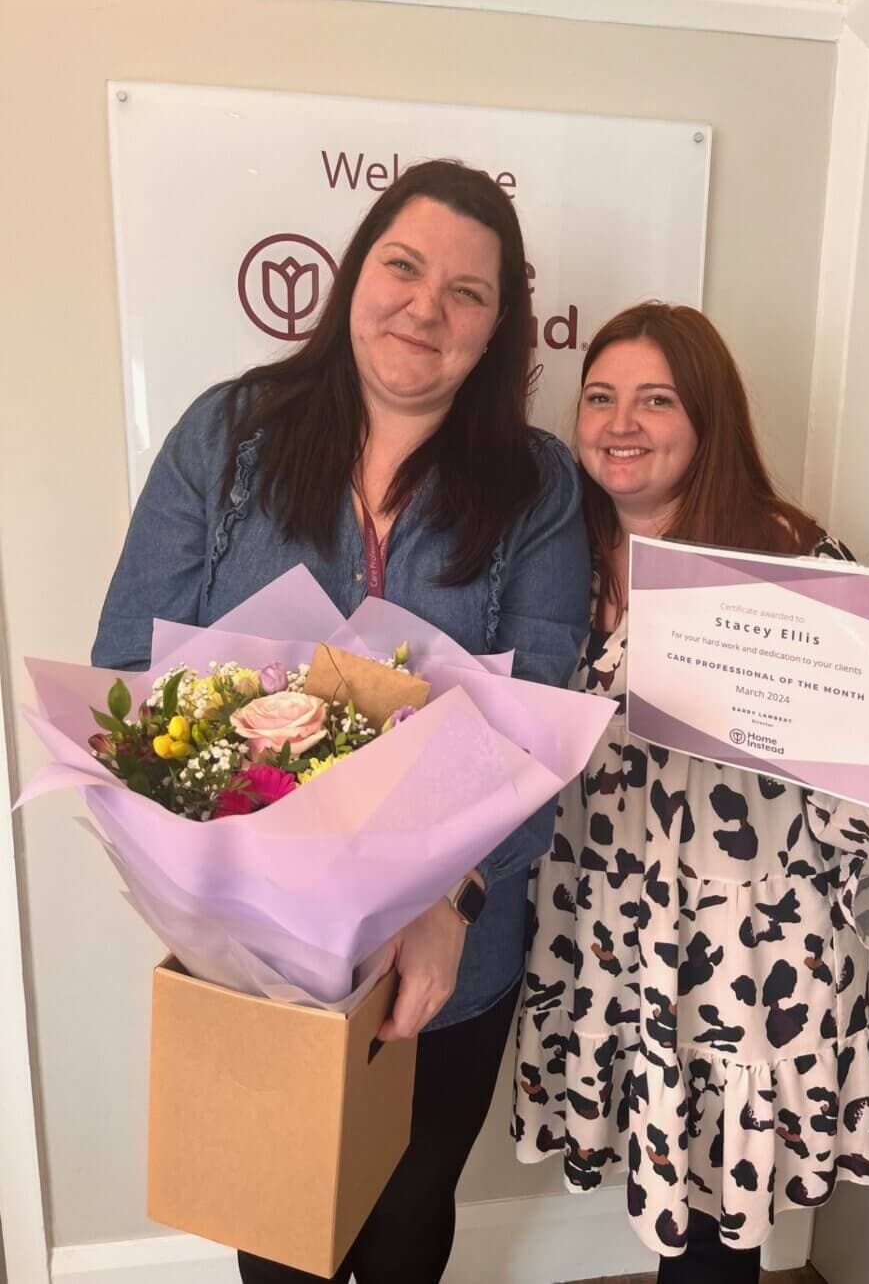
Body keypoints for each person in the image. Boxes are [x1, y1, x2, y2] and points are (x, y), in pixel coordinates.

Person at [92, 160, 591, 1283]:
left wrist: (449, 900)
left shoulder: (536, 485)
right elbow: (127, 669)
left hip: (451, 957)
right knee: (275, 1227)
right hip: (262, 955)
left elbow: (537, 719)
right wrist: (215, 857)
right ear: (354, 273)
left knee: (411, 1215)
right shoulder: (227, 439)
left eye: (468, 292)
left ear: (499, 327)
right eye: (403, 266)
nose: (428, 306)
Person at [512, 302, 869, 1283]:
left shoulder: (796, 569)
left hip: (750, 964)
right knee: (661, 1201)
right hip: (613, 948)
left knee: (713, 1233)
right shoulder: (553, 564)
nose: (620, 422)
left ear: (708, 419)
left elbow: (868, 815)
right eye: (599, 397)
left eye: (656, 399)